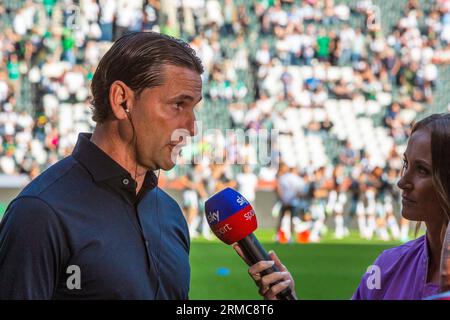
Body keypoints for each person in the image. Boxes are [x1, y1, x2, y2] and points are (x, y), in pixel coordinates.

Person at [0, 32, 204, 299]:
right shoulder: (40, 212)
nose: (191, 127)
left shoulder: (169, 213)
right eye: (178, 105)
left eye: (193, 109)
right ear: (122, 100)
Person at [234, 113, 450, 300]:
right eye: (406, 164)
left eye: (422, 170)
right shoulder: (387, 266)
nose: (402, 182)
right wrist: (287, 296)